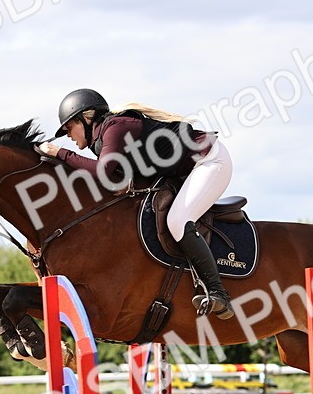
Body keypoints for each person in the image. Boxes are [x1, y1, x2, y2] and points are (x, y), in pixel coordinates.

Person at [36, 88, 234, 319]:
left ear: (86, 118)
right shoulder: (102, 139)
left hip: (209, 161)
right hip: (182, 171)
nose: (68, 135)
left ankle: (218, 292)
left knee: (178, 220)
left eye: (69, 128)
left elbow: (103, 172)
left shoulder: (115, 128)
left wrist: (60, 153)